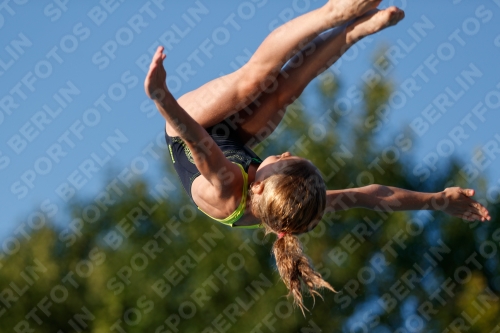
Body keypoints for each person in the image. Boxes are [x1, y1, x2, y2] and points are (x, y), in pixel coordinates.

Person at [144, 0, 491, 313]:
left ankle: (332, 12)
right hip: (232, 139)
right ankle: (353, 30)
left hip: (189, 129)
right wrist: (438, 201)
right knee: (283, 95)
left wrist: (162, 96)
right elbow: (371, 196)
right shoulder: (297, 208)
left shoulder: (226, 185)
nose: (283, 151)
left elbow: (193, 135)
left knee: (253, 81)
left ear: (261, 188)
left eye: (282, 159)